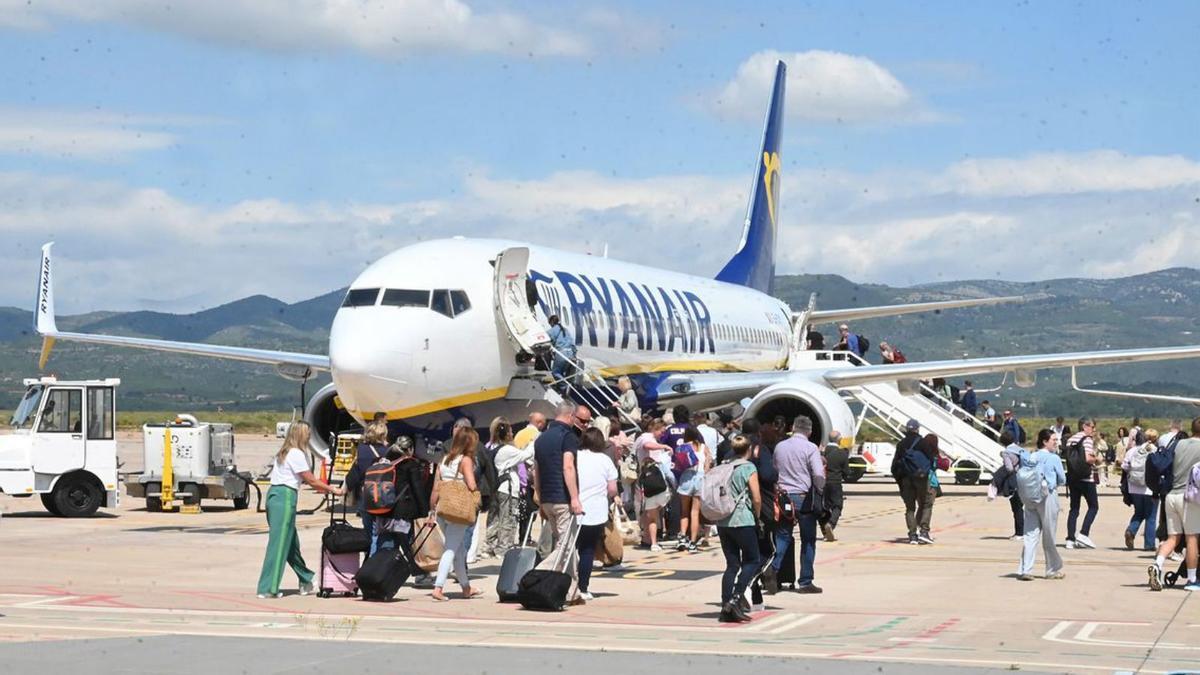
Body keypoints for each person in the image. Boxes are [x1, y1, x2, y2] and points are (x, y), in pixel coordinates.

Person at [256, 421, 343, 598]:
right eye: (307, 433)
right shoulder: (296, 453)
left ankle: (306, 578)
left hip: (274, 496)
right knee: (279, 545)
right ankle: (268, 588)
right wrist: (333, 489)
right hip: (285, 497)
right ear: (300, 434)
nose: (310, 436)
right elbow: (311, 480)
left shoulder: (284, 451)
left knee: (290, 544)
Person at [770, 416, 826, 594]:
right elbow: (818, 474)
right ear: (809, 431)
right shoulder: (810, 448)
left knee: (783, 536)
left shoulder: (780, 446)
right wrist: (820, 491)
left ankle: (773, 569)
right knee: (808, 540)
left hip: (783, 497)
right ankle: (805, 581)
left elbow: (774, 470)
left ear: (793, 428)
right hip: (803, 498)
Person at [428, 426, 483, 601]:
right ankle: (438, 587)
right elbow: (472, 485)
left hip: (443, 509)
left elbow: (436, 487)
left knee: (458, 550)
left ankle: (466, 587)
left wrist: (431, 509)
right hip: (458, 510)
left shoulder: (443, 460)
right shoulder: (465, 460)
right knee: (451, 549)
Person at [1148, 417, 1200, 591]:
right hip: (1189, 497)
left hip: (1171, 496)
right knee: (1191, 537)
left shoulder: (1178, 444)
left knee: (1172, 538)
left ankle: (1158, 564)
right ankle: (1192, 580)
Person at [716, 434, 763, 623]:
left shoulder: (725, 466)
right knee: (752, 560)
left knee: (732, 565)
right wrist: (757, 516)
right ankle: (736, 599)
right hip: (742, 519)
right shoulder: (748, 467)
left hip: (723, 521)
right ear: (748, 449)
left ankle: (725, 605)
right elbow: (756, 497)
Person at [534, 401, 583, 569]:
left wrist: (540, 498)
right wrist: (575, 498)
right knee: (565, 545)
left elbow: (536, 471)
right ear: (570, 416)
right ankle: (537, 572)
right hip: (562, 498)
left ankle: (570, 589)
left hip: (547, 499)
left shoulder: (541, 439)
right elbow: (568, 466)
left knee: (564, 544)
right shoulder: (568, 437)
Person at [1016, 429, 1067, 581]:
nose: (1056, 443)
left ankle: (1026, 569)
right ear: (1045, 441)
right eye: (1053, 440)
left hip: (1030, 497)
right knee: (1049, 534)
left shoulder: (1032, 456)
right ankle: (1051, 569)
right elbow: (1062, 479)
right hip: (1047, 497)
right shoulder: (1053, 458)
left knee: (1030, 535)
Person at [575, 428, 618, 602]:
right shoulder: (605, 460)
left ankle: (567, 582)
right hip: (595, 510)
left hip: (574, 507)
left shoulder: (575, 456)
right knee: (587, 550)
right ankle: (583, 587)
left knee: (571, 549)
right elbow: (613, 488)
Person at [483, 419, 532, 559]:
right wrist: (534, 440)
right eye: (511, 431)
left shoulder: (490, 446)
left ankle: (489, 545)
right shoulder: (507, 450)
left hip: (497, 488)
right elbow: (526, 455)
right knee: (509, 518)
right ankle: (504, 548)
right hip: (508, 489)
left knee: (495, 518)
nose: (513, 433)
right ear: (506, 434)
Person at [347, 420, 390, 557]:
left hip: (364, 496)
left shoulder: (362, 450)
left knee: (368, 532)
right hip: (382, 497)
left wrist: (345, 489)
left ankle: (368, 560)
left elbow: (355, 472)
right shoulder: (388, 451)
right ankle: (372, 562)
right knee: (378, 533)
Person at [634, 419, 674, 551]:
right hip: (649, 479)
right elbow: (647, 445)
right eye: (661, 431)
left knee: (650, 511)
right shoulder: (646, 437)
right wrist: (664, 447)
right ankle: (650, 538)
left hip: (652, 477)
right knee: (651, 511)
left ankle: (649, 537)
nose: (662, 435)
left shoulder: (648, 438)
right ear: (655, 428)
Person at [893, 419, 933, 545]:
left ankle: (912, 535)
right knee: (926, 504)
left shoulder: (901, 444)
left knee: (910, 508)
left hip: (906, 479)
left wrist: (900, 480)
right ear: (917, 429)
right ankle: (924, 531)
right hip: (921, 478)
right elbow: (931, 459)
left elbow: (894, 466)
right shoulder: (923, 442)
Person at [675, 427, 713, 552]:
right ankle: (692, 541)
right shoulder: (703, 447)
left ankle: (682, 537)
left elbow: (677, 464)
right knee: (695, 512)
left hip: (686, 477)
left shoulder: (683, 446)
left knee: (684, 511)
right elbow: (709, 462)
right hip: (700, 477)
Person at [1064, 417, 1100, 550]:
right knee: (1093, 506)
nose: (1093, 429)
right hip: (1086, 478)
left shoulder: (1070, 439)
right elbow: (1088, 459)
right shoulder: (1087, 440)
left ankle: (1070, 539)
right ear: (1084, 426)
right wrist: (1097, 459)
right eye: (1092, 426)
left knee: (1074, 509)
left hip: (1073, 478)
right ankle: (1084, 533)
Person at [1123, 429, 1159, 552]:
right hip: (1149, 488)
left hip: (1133, 487)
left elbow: (1125, 466)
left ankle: (1131, 530)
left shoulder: (1132, 451)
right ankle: (1149, 544)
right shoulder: (1153, 449)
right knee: (1151, 516)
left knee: (1139, 512)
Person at [821, 430, 850, 542]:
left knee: (824, 507)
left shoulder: (822, 452)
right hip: (835, 482)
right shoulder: (842, 453)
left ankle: (824, 532)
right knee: (837, 506)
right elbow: (847, 472)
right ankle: (831, 524)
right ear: (839, 439)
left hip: (823, 483)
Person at [998, 431, 1024, 540]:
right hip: (1025, 479)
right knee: (1022, 507)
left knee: (1016, 508)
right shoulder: (1020, 449)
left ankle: (1019, 533)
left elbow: (1009, 468)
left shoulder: (1007, 452)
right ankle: (1024, 531)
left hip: (1015, 481)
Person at [547, 315, 576, 384]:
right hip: (570, 353)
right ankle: (566, 388)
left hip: (562, 353)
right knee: (563, 373)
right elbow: (573, 344)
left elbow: (546, 340)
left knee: (555, 372)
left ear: (551, 322)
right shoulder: (566, 330)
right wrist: (574, 355)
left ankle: (564, 387)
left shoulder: (552, 331)